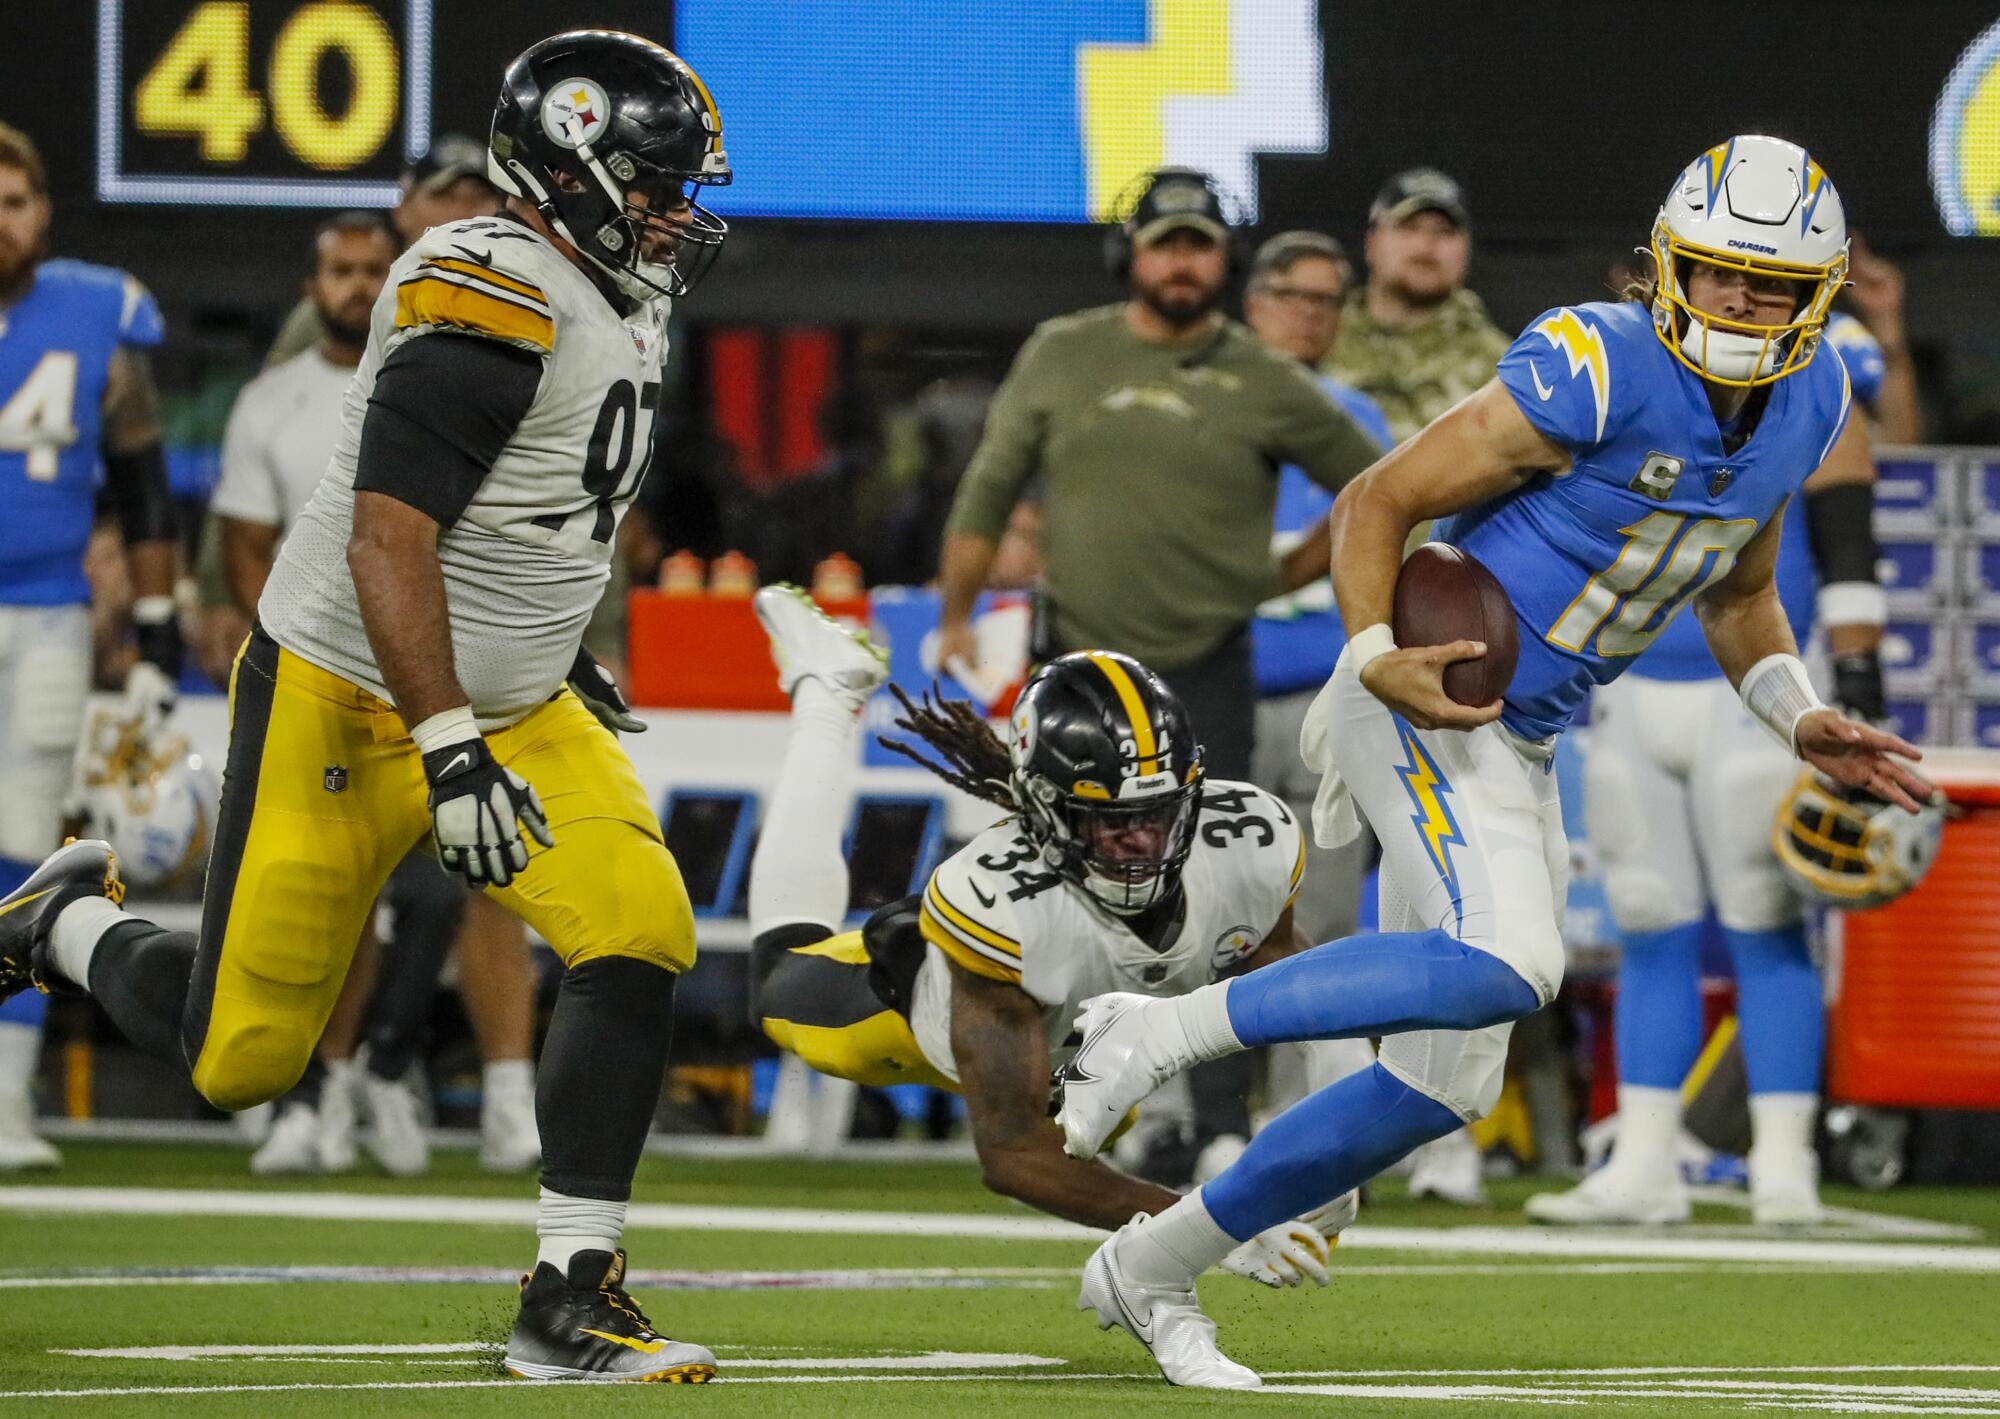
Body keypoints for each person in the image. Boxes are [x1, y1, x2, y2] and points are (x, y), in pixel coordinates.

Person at [1045, 135, 1935, 1389]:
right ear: (1670, 266)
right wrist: (1368, 656)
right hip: (1423, 689)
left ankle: (1148, 1269)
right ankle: (1151, 1029)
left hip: (1516, 730)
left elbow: (1738, 598)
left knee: (1432, 1094)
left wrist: (1797, 716)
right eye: (1718, 274)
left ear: (1815, 295)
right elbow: (1372, 502)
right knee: (1510, 962)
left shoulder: (1810, 404)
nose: (1738, 303)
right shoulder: (1594, 361)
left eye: (1767, 283)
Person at [0, 31, 732, 1383]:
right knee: (242, 1059)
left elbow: (550, 506)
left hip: (505, 694)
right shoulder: (489, 289)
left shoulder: (617, 278)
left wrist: (553, 647)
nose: (675, 210)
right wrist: (450, 748)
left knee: (643, 922)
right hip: (348, 691)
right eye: (650, 181)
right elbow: (389, 535)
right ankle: (64, 923)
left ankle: (571, 1297)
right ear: (562, 173)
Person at [745, 584, 1367, 1275]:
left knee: (1107, 1115)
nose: (1141, 843)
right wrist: (1212, 1225)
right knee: (778, 978)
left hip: (1091, 1065)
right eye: (1111, 822)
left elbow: (1298, 991)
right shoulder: (999, 908)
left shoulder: (1248, 839)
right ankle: (827, 691)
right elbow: (1014, 1152)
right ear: (1047, 814)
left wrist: (1345, 1125)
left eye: (1158, 814)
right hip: (913, 1026)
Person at [1527, 296, 1900, 1229]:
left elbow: (1848, 540)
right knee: (1651, 918)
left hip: (1758, 688)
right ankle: (1646, 1155)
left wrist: (1852, 683)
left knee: (1762, 919)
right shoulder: (1625, 384)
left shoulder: (1810, 382)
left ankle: (1784, 1160)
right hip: (1632, 679)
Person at [213, 212, 541, 1179]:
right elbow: (244, 548)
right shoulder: (275, 400)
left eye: (372, 268)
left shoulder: (460, 370)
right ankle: (318, 1086)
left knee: (455, 885)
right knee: (324, 902)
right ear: (314, 281)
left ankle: (383, 1068)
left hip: (438, 673)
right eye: (340, 269)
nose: (357, 285)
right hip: (326, 677)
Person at [936, 166, 1381, 786]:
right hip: (1074, 655)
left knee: (1205, 865)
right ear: (1129, 253)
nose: (1181, 263)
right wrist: (955, 619)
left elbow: (1374, 489)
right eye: (1164, 245)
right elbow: (988, 492)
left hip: (1211, 667)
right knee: (1062, 846)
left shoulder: (1268, 379)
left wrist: (1276, 578)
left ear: (1228, 260)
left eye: (1199, 247)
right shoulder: (1059, 352)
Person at [0, 123, 181, 1170]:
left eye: (15, 200)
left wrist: (153, 630)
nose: (1, 221)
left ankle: (8, 1100)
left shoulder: (92, 312)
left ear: (45, 213)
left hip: (50, 615)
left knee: (25, 849)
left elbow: (144, 484)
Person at [1243, 230, 1391, 950]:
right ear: (1252, 304)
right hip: (1219, 692)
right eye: (1290, 296)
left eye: (1325, 300)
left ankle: (1316, 1069)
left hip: (1328, 699)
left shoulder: (1359, 419)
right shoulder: (1206, 408)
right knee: (1200, 930)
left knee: (1323, 933)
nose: (1308, 313)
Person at [263, 135, 503, 369]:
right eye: (443, 196)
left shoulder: (529, 293)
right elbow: (280, 397)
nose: (461, 212)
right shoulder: (344, 307)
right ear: (402, 211)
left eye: (478, 197)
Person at [1324, 168, 1510, 447]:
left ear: (1466, 250)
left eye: (1445, 233)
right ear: (1371, 243)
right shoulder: (1317, 336)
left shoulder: (1503, 367)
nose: (1426, 247)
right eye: (1408, 228)